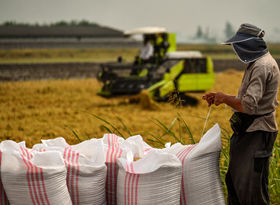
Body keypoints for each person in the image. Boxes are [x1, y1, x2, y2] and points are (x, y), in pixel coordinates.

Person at [202, 23, 279, 205]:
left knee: (250, 189)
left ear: (249, 45)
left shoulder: (262, 66)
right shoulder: (257, 63)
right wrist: (221, 97)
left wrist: (225, 98)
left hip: (257, 132)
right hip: (247, 131)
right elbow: (246, 100)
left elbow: (249, 105)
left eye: (238, 46)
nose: (236, 50)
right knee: (236, 182)